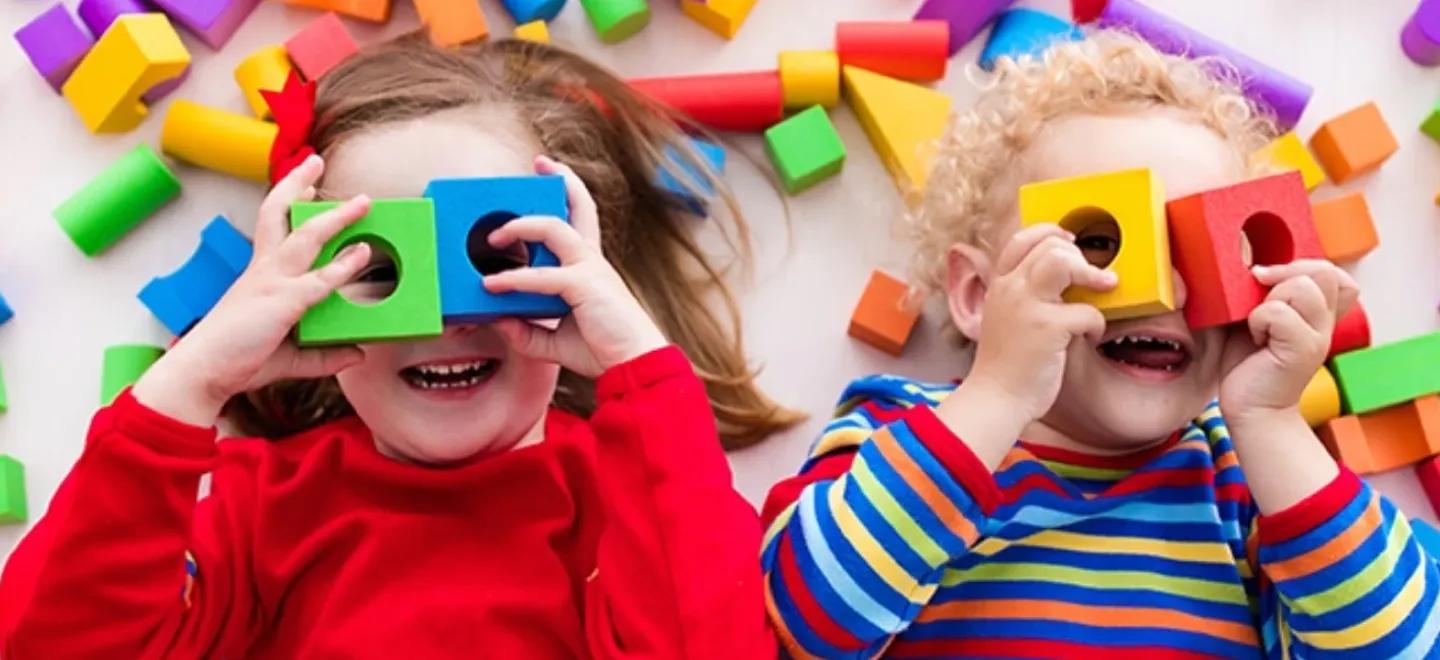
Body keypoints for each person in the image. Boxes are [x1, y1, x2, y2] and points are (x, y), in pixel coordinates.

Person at [0, 35, 794, 658]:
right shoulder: (261, 510)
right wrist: (190, 386)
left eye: (493, 261)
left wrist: (644, 379)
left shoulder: (630, 498)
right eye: (379, 270)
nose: (442, 321)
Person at [760, 31, 1439, 657]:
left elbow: (1403, 648)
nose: (1168, 291)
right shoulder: (902, 430)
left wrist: (1272, 422)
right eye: (1098, 241)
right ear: (978, 295)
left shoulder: (1252, 479)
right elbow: (806, 621)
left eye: (1205, 250)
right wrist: (997, 394)